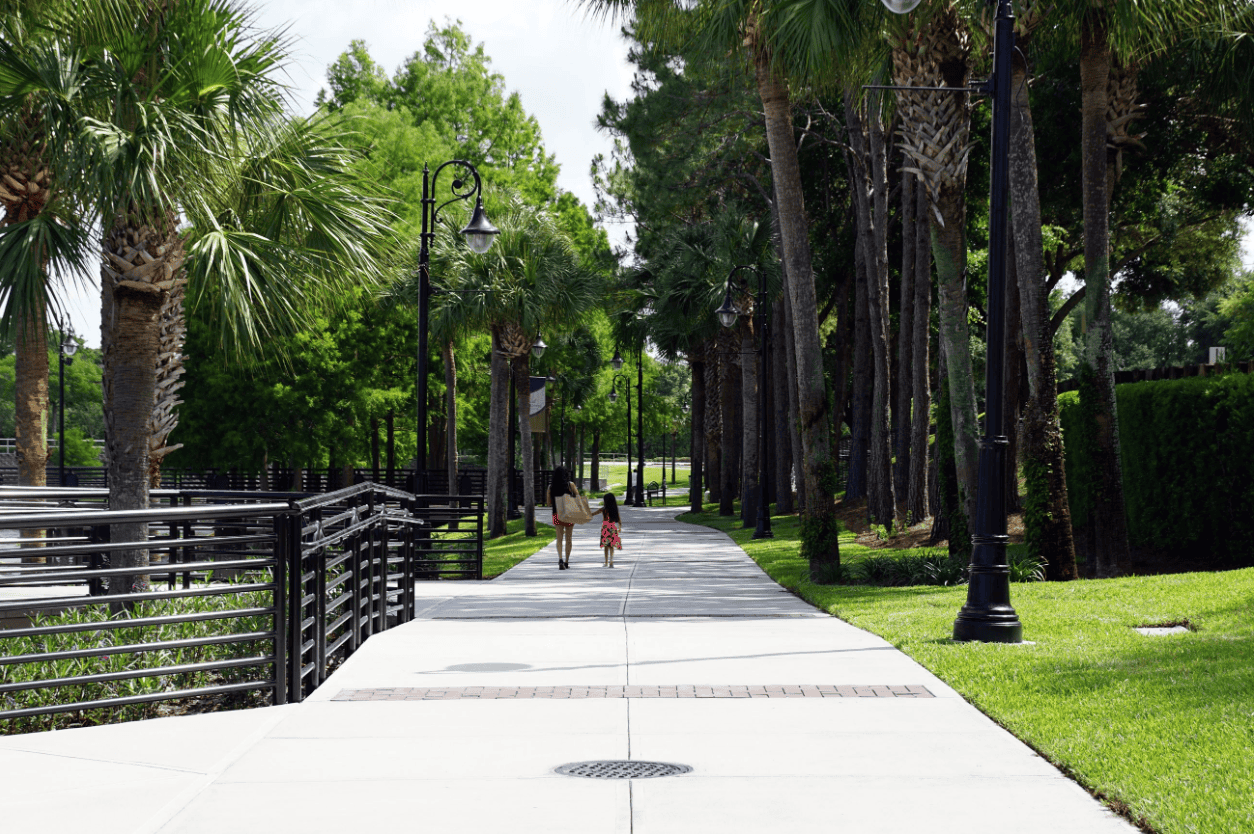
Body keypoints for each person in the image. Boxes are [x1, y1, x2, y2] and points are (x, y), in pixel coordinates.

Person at [545, 466, 581, 570]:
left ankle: (560, 558)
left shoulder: (550, 487)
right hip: (569, 514)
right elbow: (578, 498)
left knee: (559, 538)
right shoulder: (570, 485)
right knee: (568, 538)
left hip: (557, 513)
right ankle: (566, 562)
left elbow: (548, 503)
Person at [591, 492, 623, 567]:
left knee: (606, 545)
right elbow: (619, 519)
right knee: (611, 545)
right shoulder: (614, 509)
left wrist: (588, 515)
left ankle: (606, 562)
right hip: (613, 527)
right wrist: (619, 528)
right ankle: (611, 561)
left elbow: (594, 513)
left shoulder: (604, 509)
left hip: (605, 528)